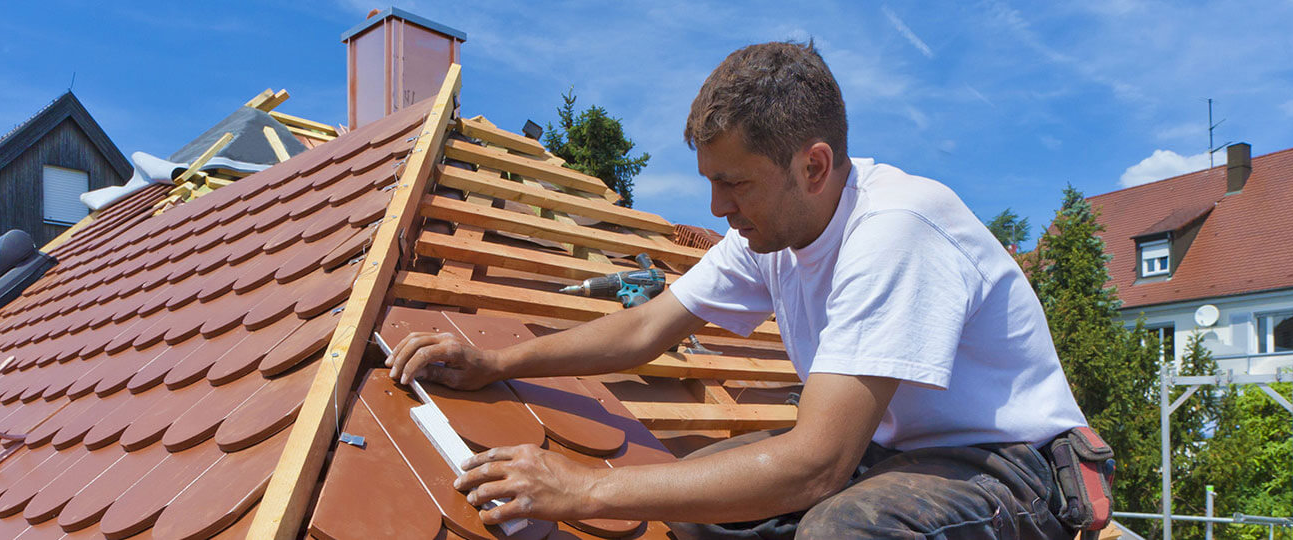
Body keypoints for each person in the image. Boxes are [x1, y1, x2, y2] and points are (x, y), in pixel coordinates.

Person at [386, 40, 1091, 539]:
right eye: (710, 182)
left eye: (734, 182)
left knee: (844, 529)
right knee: (695, 493)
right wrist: (499, 362)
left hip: (1009, 470)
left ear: (813, 165)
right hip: (897, 456)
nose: (718, 208)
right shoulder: (771, 236)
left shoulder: (897, 230)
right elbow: (642, 328)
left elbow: (816, 466)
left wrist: (584, 486)